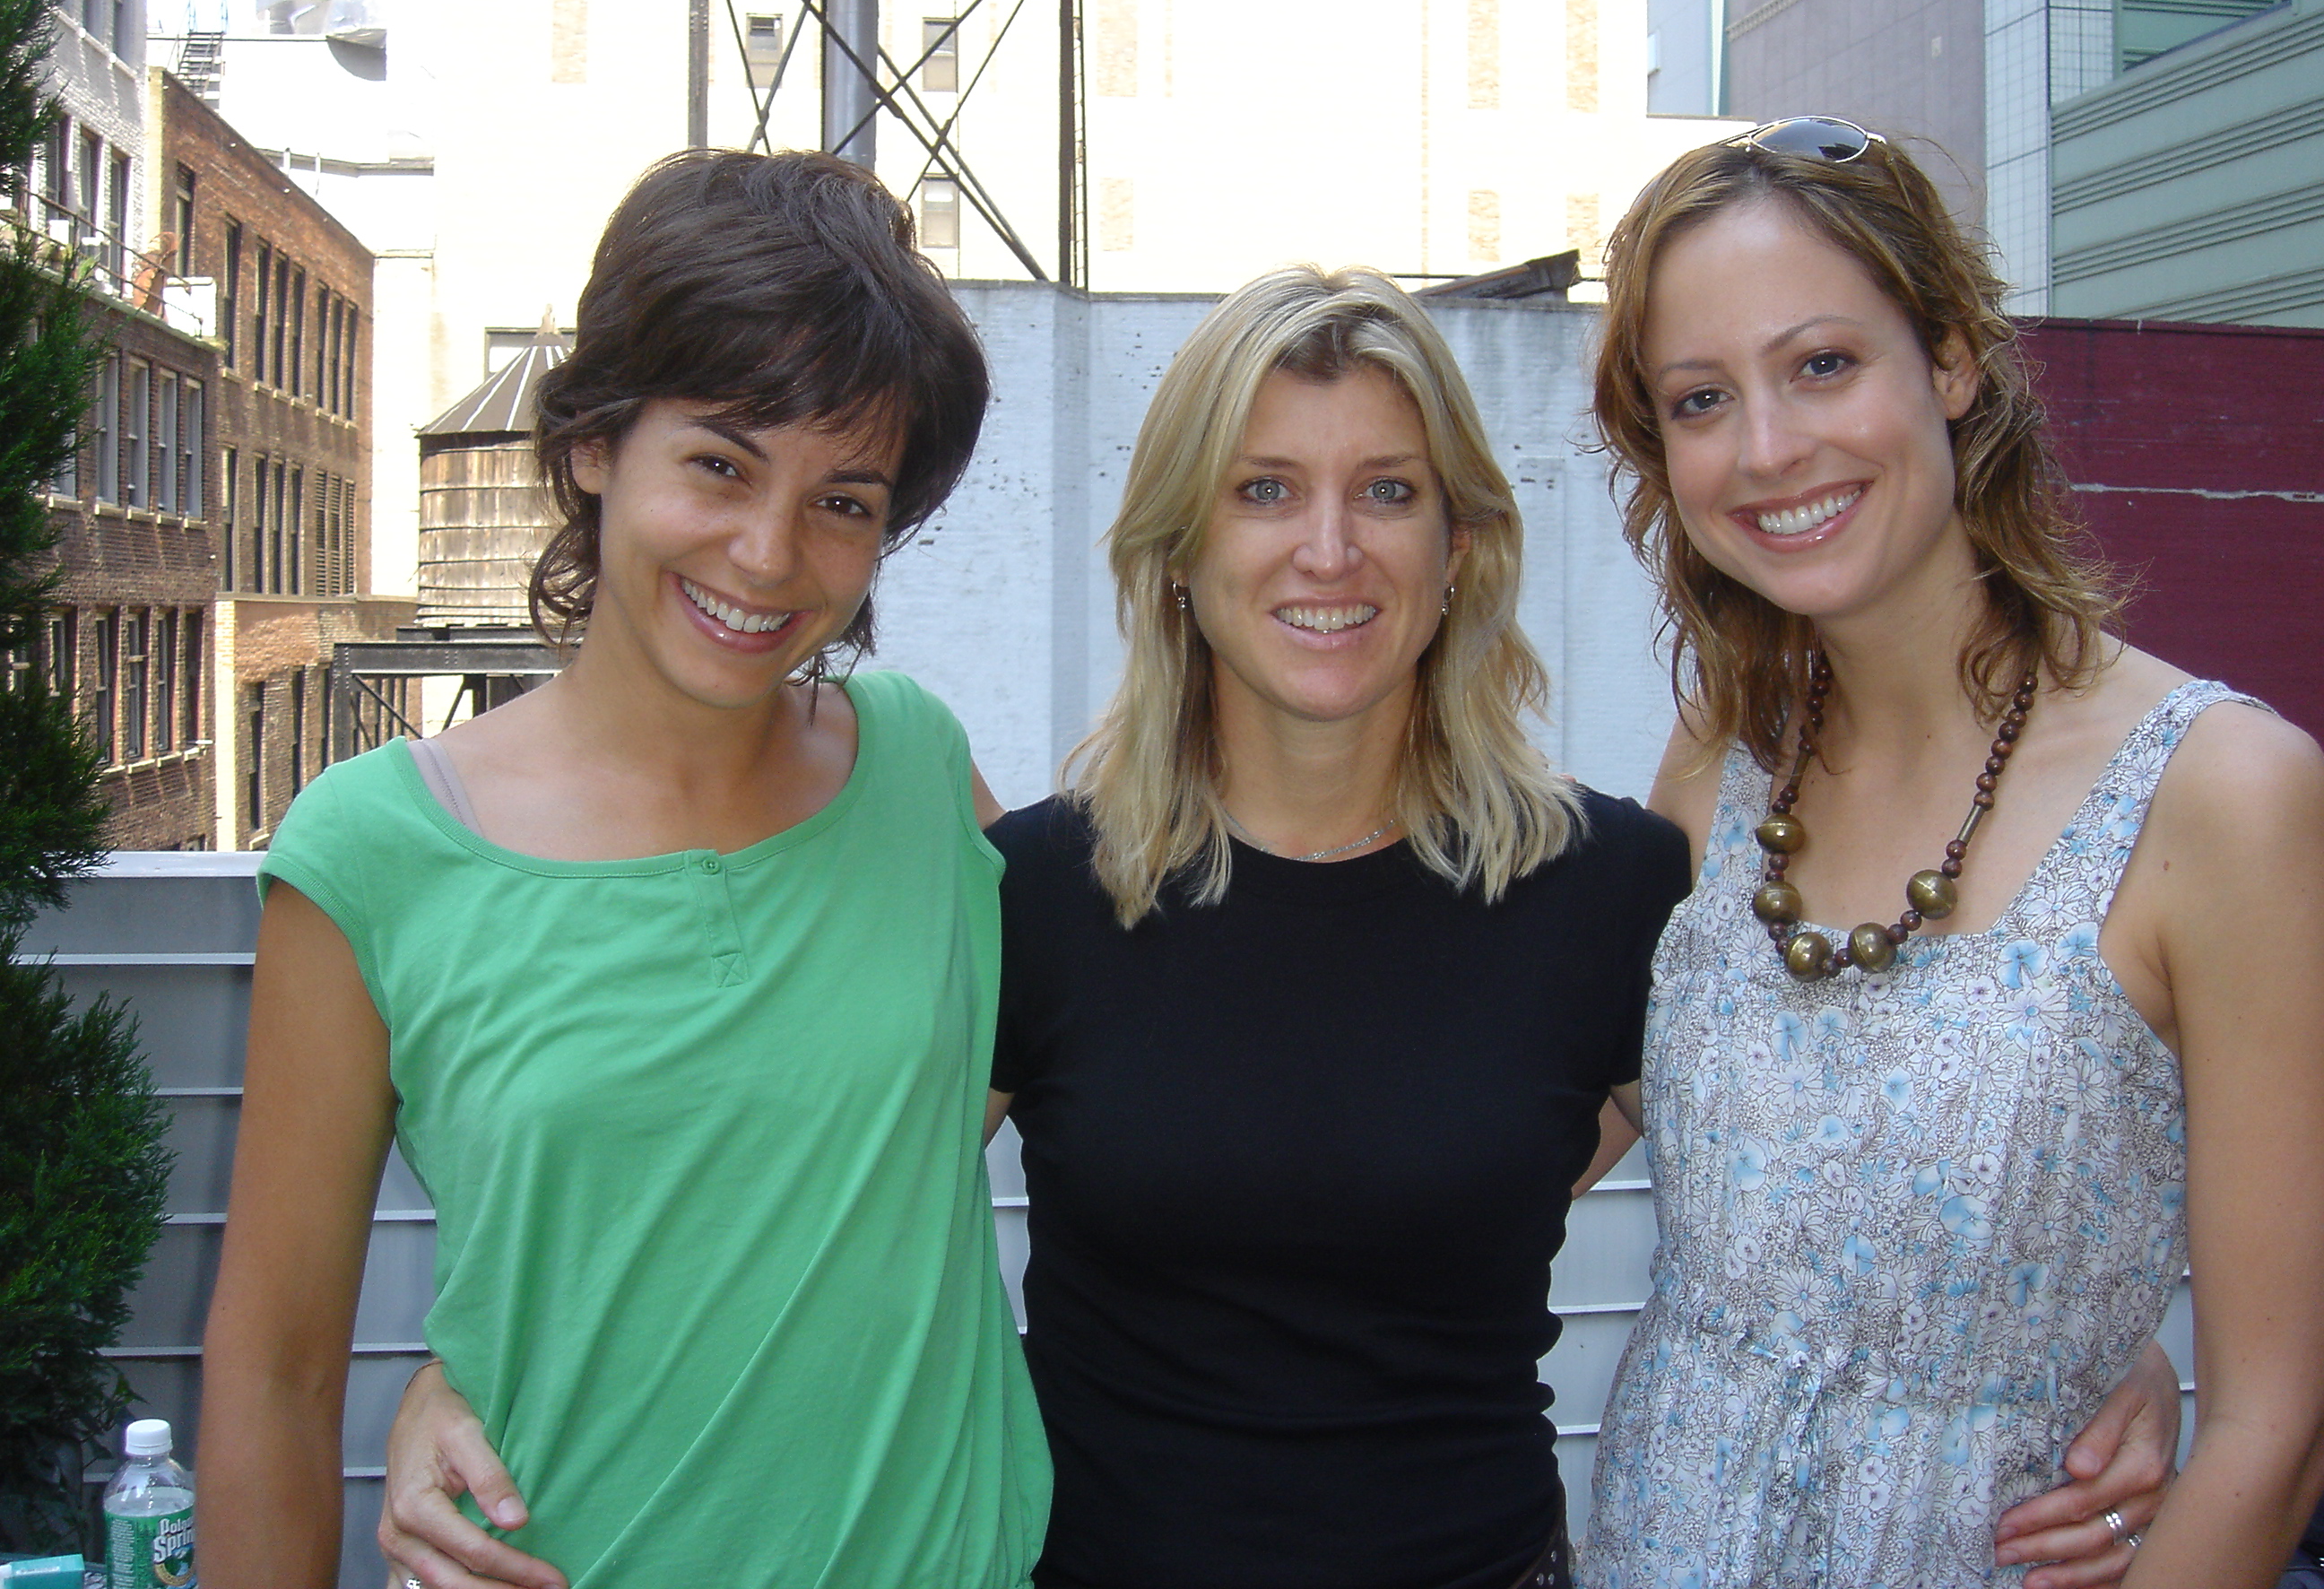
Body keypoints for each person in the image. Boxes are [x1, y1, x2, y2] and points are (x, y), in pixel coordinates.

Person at [377, 263, 2175, 1589]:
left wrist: (2112, 1357)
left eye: (1387, 492)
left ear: (1460, 548)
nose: (1332, 550)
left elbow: (1850, 1156)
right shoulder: (1046, 897)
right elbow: (774, 1181)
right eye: (1266, 490)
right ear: (1179, 553)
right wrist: (476, 1364)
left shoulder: (1612, 891)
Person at [195, 150, 1050, 1589]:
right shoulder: (374, 854)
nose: (769, 553)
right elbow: (274, 1371)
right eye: (718, 463)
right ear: (594, 443)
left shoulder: (919, 773)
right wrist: (508, 1342)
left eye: (845, 500)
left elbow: (951, 1098)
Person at [1580, 117, 2324, 1588]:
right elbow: (1540, 1124)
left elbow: (2275, 1431)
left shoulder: (2222, 795)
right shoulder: (1718, 768)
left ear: (1957, 361)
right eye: (1702, 399)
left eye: (1824, 365)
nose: (1770, 448)